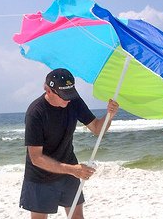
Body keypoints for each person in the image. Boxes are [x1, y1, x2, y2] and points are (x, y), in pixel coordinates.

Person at [19, 68, 119, 219]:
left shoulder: (74, 101)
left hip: (69, 169)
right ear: (48, 90)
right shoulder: (36, 113)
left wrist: (109, 115)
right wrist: (73, 170)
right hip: (41, 176)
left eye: (70, 93)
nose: (68, 99)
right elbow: (36, 158)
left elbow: (97, 129)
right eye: (64, 95)